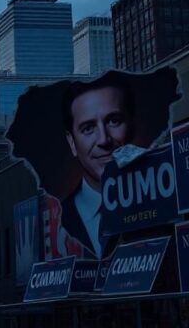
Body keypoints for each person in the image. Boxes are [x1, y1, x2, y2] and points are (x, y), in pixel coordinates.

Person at [58, 74, 134, 258]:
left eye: (114, 121)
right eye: (88, 128)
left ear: (132, 124)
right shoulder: (59, 221)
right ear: (72, 143)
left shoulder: (159, 200)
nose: (103, 140)